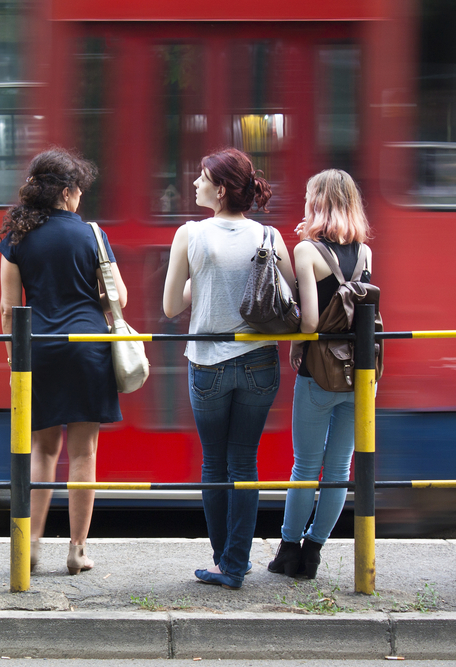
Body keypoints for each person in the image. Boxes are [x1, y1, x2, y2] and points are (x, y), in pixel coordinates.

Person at [162, 148, 294, 590]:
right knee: (245, 463)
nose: (194, 183)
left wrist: (201, 277)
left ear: (219, 190)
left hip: (208, 365)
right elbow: (285, 295)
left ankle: (226, 564)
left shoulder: (190, 234)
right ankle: (236, 561)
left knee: (215, 464)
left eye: (200, 178)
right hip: (260, 363)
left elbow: (168, 307)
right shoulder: (270, 237)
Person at [0, 147, 124, 575]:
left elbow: (8, 308)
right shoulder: (92, 234)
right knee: (84, 451)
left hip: (40, 350)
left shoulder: (16, 236)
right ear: (68, 191)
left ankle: (30, 543)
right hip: (88, 346)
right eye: (79, 191)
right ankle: (77, 550)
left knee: (42, 448)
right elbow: (117, 298)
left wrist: (16, 362)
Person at [268, 169, 373, 580]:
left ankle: (288, 550)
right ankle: (312, 554)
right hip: (358, 374)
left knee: (305, 465)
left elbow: (310, 322)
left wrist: (296, 342)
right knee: (339, 468)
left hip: (318, 373)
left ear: (318, 203)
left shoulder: (307, 251)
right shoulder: (364, 252)